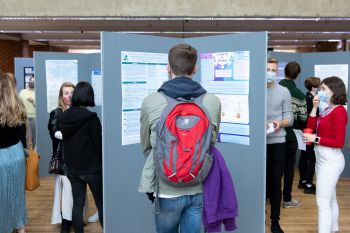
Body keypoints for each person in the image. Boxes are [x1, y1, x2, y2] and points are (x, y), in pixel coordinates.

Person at [138, 43, 221, 233]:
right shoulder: (212, 101)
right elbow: (212, 142)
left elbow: (146, 146)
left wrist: (167, 160)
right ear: (196, 68)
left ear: (168, 68)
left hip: (165, 188)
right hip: (199, 184)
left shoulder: (151, 101)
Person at [303, 76, 347, 233]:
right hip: (322, 158)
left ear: (334, 90)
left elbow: (339, 142)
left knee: (322, 202)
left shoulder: (340, 111)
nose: (319, 92)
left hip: (331, 160)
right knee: (330, 199)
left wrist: (316, 138)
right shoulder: (328, 109)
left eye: (323, 89)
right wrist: (314, 108)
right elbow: (310, 127)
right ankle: (333, 229)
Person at [58, 81, 103, 233]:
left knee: (77, 204)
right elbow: (98, 146)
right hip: (92, 169)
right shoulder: (92, 118)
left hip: (73, 169)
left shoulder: (64, 117)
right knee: (100, 203)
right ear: (89, 96)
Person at [266, 58, 293, 233]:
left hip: (278, 143)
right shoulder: (254, 89)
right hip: (258, 145)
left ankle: (275, 221)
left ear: (278, 72)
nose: (270, 72)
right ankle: (258, 216)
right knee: (259, 183)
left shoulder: (284, 91)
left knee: (276, 183)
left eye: (274, 69)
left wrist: (279, 123)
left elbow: (289, 118)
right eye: (267, 68)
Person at [0, 72, 28, 233]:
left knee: (2, 196)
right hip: (16, 154)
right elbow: (22, 134)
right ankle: (20, 228)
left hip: (1, 157)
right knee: (17, 194)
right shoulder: (19, 107)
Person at [48, 82, 75, 233]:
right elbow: (54, 132)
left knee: (76, 190)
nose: (69, 96)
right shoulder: (56, 112)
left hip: (78, 157)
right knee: (66, 191)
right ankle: (65, 221)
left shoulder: (78, 111)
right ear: (61, 95)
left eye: (71, 92)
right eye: (66, 93)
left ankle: (74, 217)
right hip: (63, 158)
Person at [279, 61, 306, 208]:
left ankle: (268, 197)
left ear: (284, 72)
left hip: (273, 136)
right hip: (290, 138)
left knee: (273, 170)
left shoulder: (273, 89)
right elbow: (303, 119)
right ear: (298, 75)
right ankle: (287, 200)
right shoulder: (299, 94)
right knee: (289, 170)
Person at [298, 77, 320, 194]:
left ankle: (302, 181)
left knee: (304, 156)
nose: (320, 87)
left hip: (304, 130)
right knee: (311, 158)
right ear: (313, 87)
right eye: (318, 85)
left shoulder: (305, 97)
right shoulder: (311, 100)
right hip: (310, 131)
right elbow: (313, 117)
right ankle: (309, 184)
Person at [19, 76, 36, 148]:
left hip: (35, 117)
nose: (32, 82)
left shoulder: (37, 93)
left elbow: (41, 105)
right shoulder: (22, 92)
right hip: (24, 117)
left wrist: (33, 101)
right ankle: (28, 154)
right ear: (29, 82)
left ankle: (34, 154)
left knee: (35, 137)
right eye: (31, 81)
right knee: (26, 137)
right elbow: (18, 103)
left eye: (34, 81)